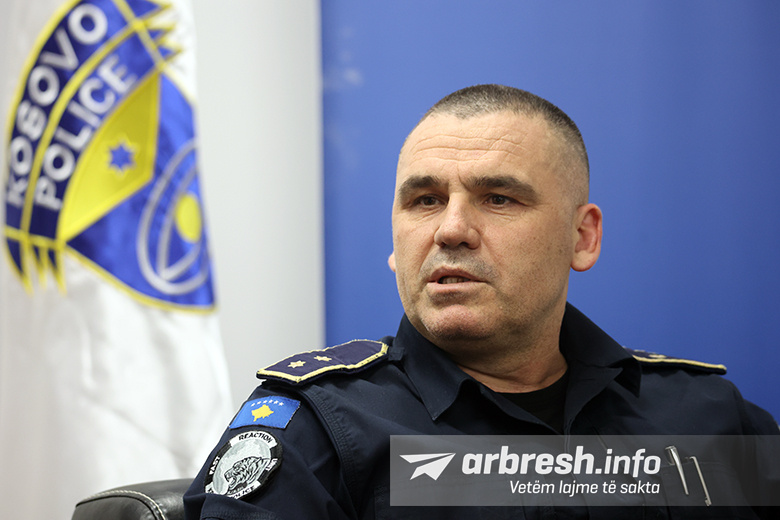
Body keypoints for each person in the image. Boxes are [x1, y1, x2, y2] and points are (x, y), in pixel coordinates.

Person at [183, 85, 778, 519]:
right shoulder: (318, 429)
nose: (450, 230)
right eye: (424, 201)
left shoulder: (709, 418)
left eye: (498, 198)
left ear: (582, 238)